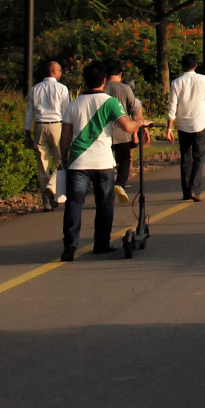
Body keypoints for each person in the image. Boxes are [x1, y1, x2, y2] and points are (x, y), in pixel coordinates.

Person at [60, 61, 135, 260]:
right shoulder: (110, 102)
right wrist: (142, 122)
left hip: (78, 162)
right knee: (105, 203)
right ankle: (101, 243)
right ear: (104, 80)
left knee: (74, 204)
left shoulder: (73, 104)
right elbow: (127, 127)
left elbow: (65, 136)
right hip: (102, 162)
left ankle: (70, 244)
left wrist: (63, 158)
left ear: (85, 81)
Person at [166, 53, 205, 201]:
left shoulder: (176, 82)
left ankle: (186, 191)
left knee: (185, 158)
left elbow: (172, 107)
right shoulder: (203, 80)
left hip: (183, 125)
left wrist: (169, 128)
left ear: (182, 65)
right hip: (200, 123)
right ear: (195, 65)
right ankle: (195, 189)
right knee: (198, 157)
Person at [25, 58, 71, 210]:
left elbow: (29, 111)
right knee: (62, 161)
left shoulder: (35, 88)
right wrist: (69, 130)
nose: (60, 73)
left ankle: (46, 203)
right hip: (57, 125)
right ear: (53, 71)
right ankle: (53, 188)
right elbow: (66, 111)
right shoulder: (62, 89)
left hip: (39, 125)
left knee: (42, 164)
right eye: (59, 71)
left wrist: (27, 131)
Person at [106, 69, 145, 203]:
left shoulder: (102, 87)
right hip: (123, 129)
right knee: (124, 159)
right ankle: (120, 183)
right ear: (120, 74)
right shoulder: (125, 88)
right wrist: (138, 128)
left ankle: (106, 187)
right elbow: (135, 109)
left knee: (106, 162)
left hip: (104, 132)